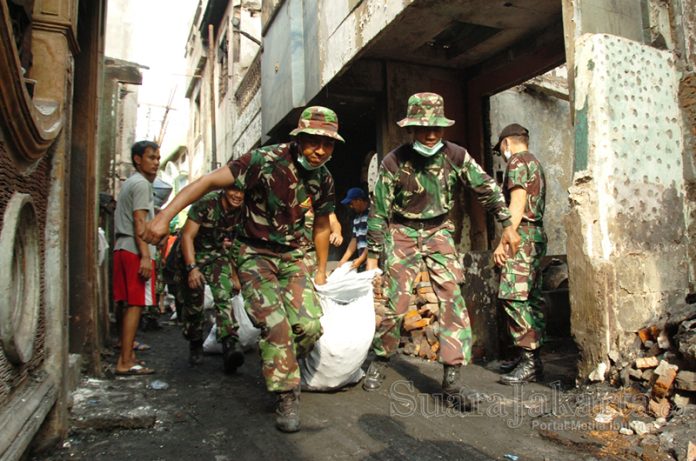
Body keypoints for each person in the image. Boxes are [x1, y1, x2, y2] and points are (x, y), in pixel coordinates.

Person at [139, 106, 344, 433]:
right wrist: (164, 216)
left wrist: (320, 270)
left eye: (328, 144)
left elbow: (321, 225)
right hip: (254, 253)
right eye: (314, 141)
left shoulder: (323, 179)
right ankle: (287, 393)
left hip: (293, 255)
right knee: (276, 325)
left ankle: (279, 362)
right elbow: (206, 183)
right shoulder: (263, 161)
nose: (320, 150)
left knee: (308, 325)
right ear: (299, 137)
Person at [362, 92, 521, 410]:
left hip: (439, 231)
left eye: (436, 127)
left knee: (452, 300)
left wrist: (507, 223)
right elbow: (379, 209)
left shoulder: (456, 155)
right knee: (396, 303)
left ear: (443, 128)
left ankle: (452, 381)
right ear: (412, 129)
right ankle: (380, 358)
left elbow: (486, 188)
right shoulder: (394, 160)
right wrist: (373, 256)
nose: (431, 134)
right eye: (423, 128)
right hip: (402, 231)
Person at [493, 123, 547, 385]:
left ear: (506, 144)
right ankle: (531, 357)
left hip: (522, 236)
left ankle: (530, 360)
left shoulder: (516, 162)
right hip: (535, 235)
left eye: (501, 148)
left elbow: (517, 205)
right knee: (531, 298)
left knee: (512, 296)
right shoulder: (534, 162)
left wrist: (505, 242)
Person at [177, 185, 245, 372]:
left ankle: (230, 345)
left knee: (224, 296)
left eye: (242, 191)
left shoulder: (241, 211)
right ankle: (195, 342)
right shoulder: (206, 204)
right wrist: (192, 269)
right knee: (194, 304)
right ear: (224, 189)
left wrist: (233, 275)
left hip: (216, 255)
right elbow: (187, 236)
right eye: (234, 190)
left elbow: (235, 243)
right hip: (192, 255)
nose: (238, 195)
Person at [112, 140, 161, 376]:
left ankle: (128, 354)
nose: (156, 163)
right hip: (134, 249)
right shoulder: (141, 184)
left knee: (129, 303)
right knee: (136, 304)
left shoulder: (131, 183)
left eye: (158, 158)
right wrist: (144, 256)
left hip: (123, 248)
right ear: (137, 159)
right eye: (151, 158)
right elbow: (139, 222)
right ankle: (125, 362)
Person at [337, 187, 370, 271]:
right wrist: (343, 261)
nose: (351, 207)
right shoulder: (357, 218)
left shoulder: (371, 216)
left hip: (372, 261)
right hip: (362, 261)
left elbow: (372, 240)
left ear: (359, 200)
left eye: (352, 203)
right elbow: (354, 240)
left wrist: (362, 258)